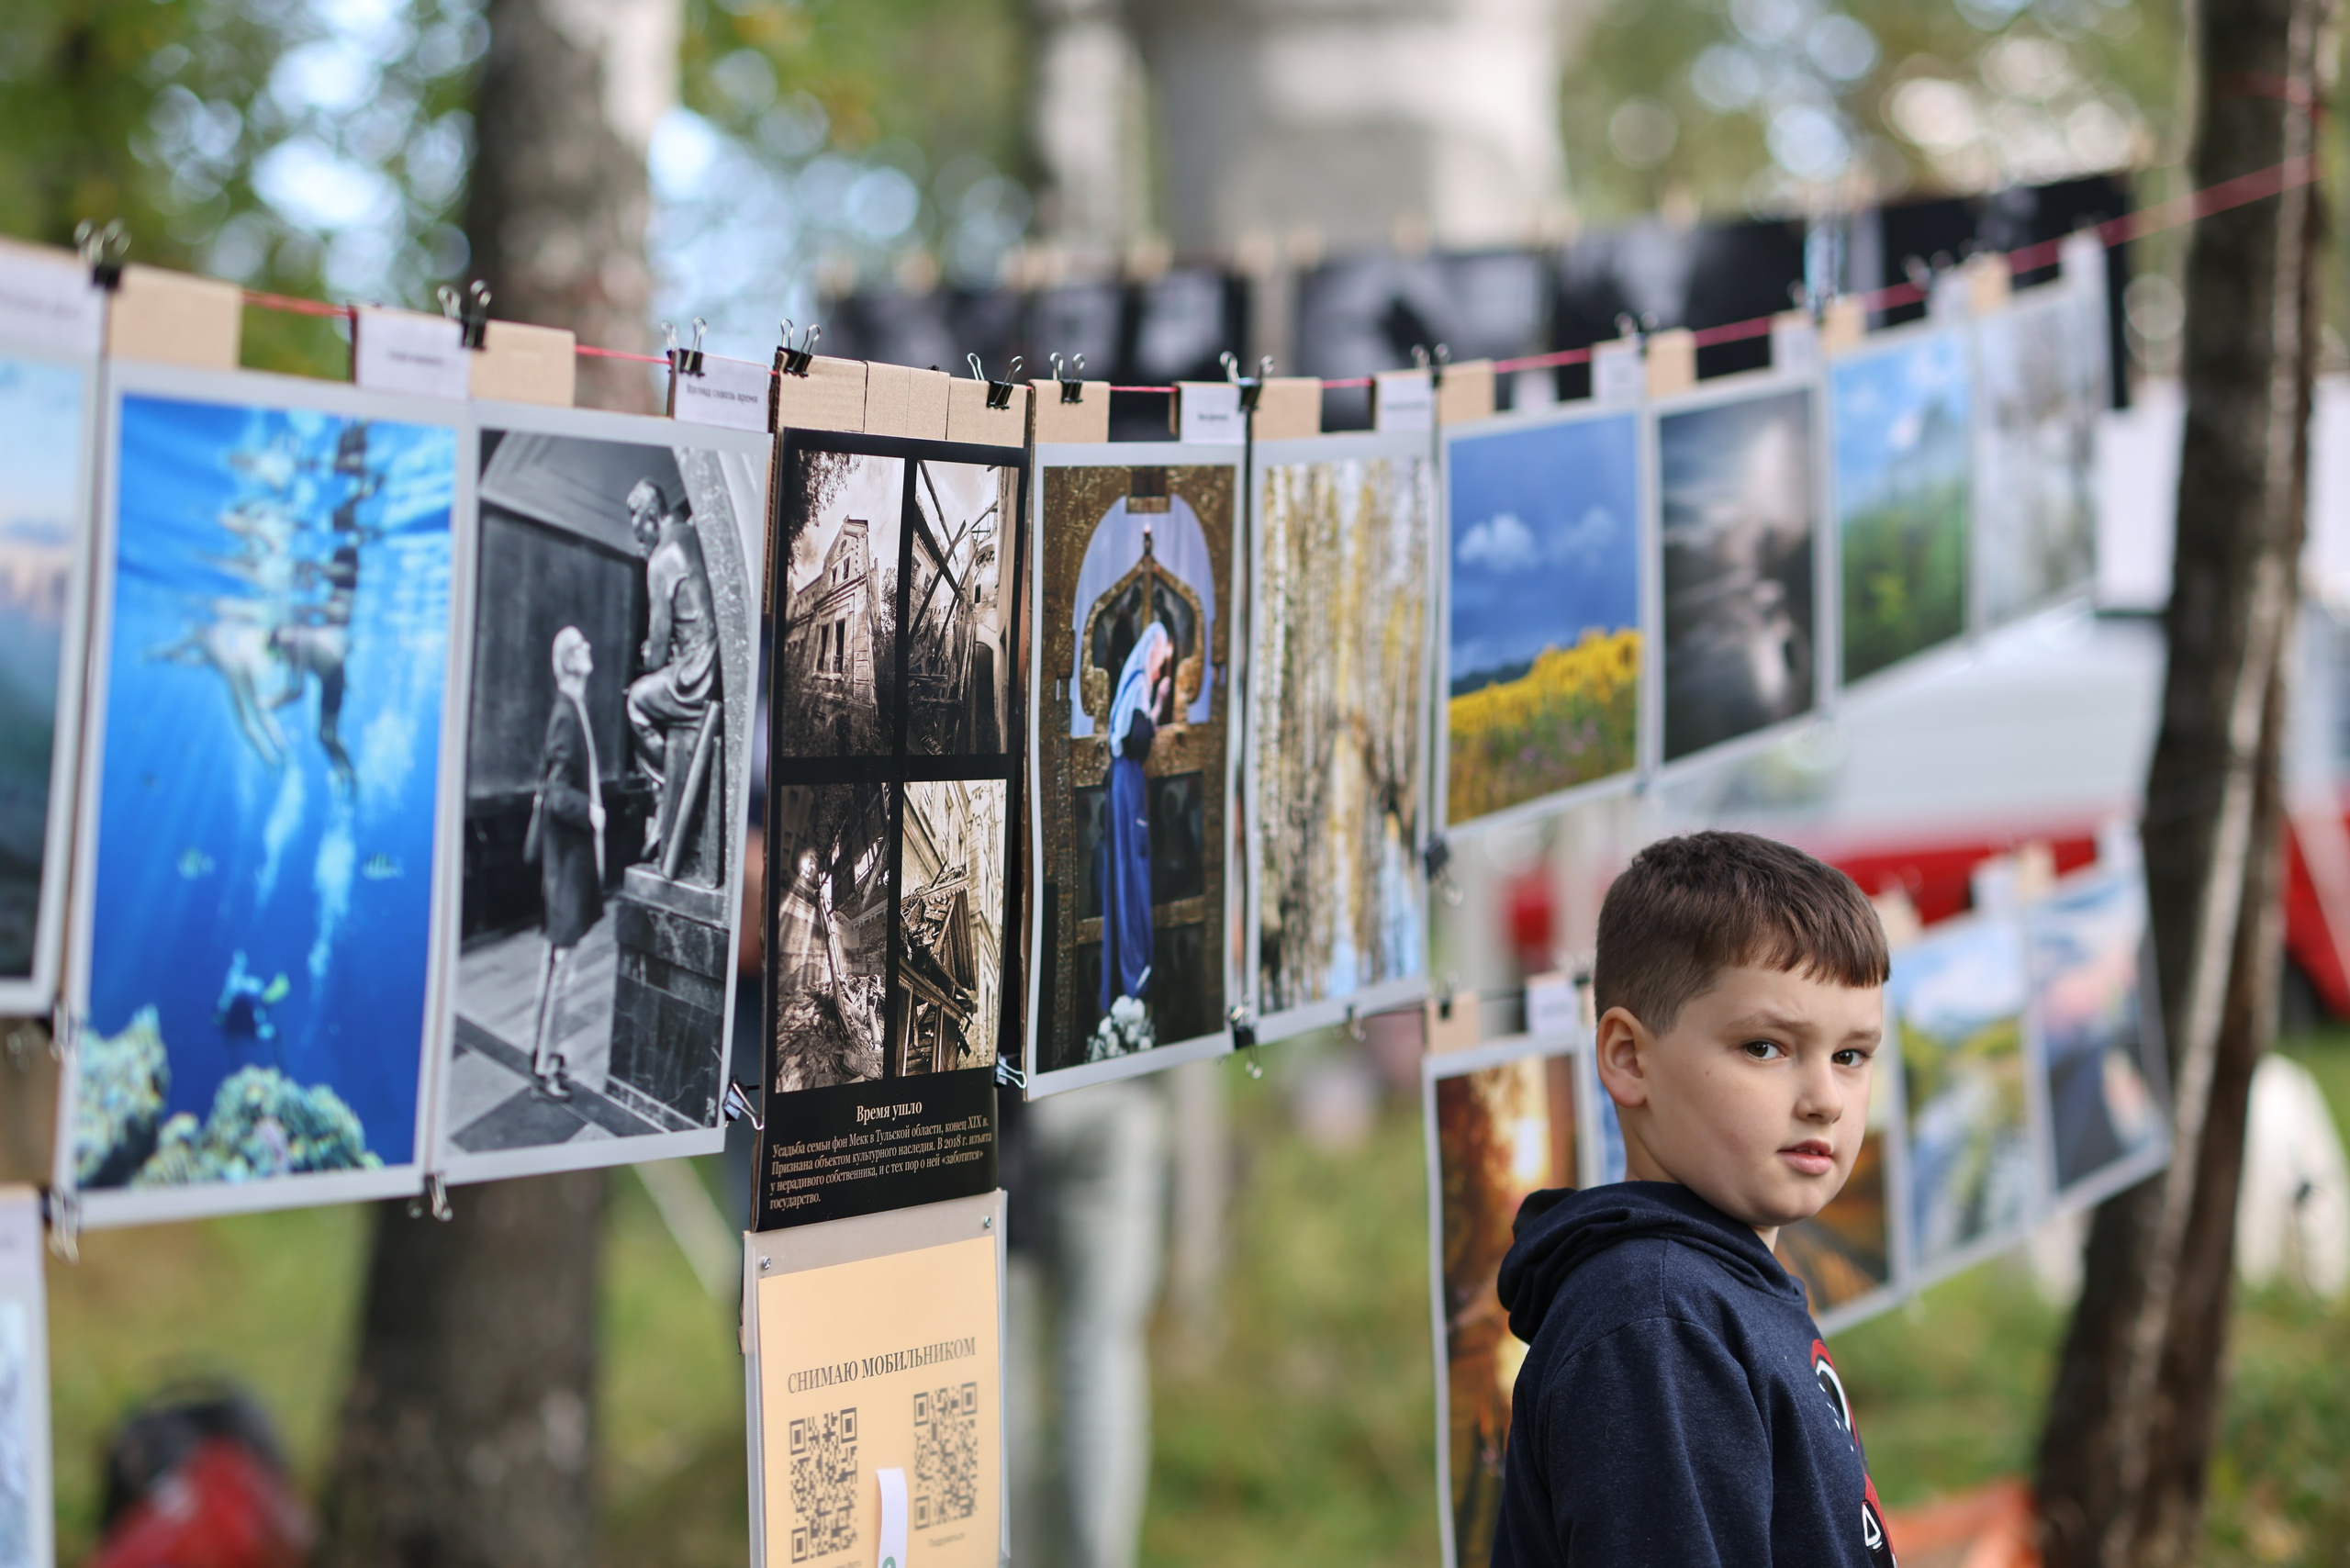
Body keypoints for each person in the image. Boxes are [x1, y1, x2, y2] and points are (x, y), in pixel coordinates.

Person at [1491, 831, 1897, 1567]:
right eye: (1765, 1047)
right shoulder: (1656, 1324)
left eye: (1851, 1056)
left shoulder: (1713, 1287)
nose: (1825, 1101)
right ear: (1629, 1058)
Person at [530, 626, 605, 1100]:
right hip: (566, 864)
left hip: (568, 863)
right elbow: (557, 795)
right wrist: (590, 811)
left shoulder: (574, 708)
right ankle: (543, 1066)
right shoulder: (564, 713)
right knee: (563, 966)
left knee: (557, 962)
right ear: (567, 660)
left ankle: (543, 1049)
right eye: (582, 645)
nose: (589, 648)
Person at [624, 479, 718, 860]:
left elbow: (656, 655)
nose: (640, 542)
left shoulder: (662, 557)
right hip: (714, 663)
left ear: (650, 517)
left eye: (639, 532)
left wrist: (648, 653)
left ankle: (668, 793)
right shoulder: (695, 534)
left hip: (695, 673)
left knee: (636, 702)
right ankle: (674, 797)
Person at [1095, 622, 1171, 1030]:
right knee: (1131, 873)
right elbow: (1139, 740)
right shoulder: (1142, 683)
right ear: (1153, 650)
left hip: (1123, 782)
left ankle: (1127, 983)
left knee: (1127, 872)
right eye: (1162, 653)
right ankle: (1134, 977)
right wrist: (1160, 701)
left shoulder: (1134, 681)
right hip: (1128, 783)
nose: (1162, 662)